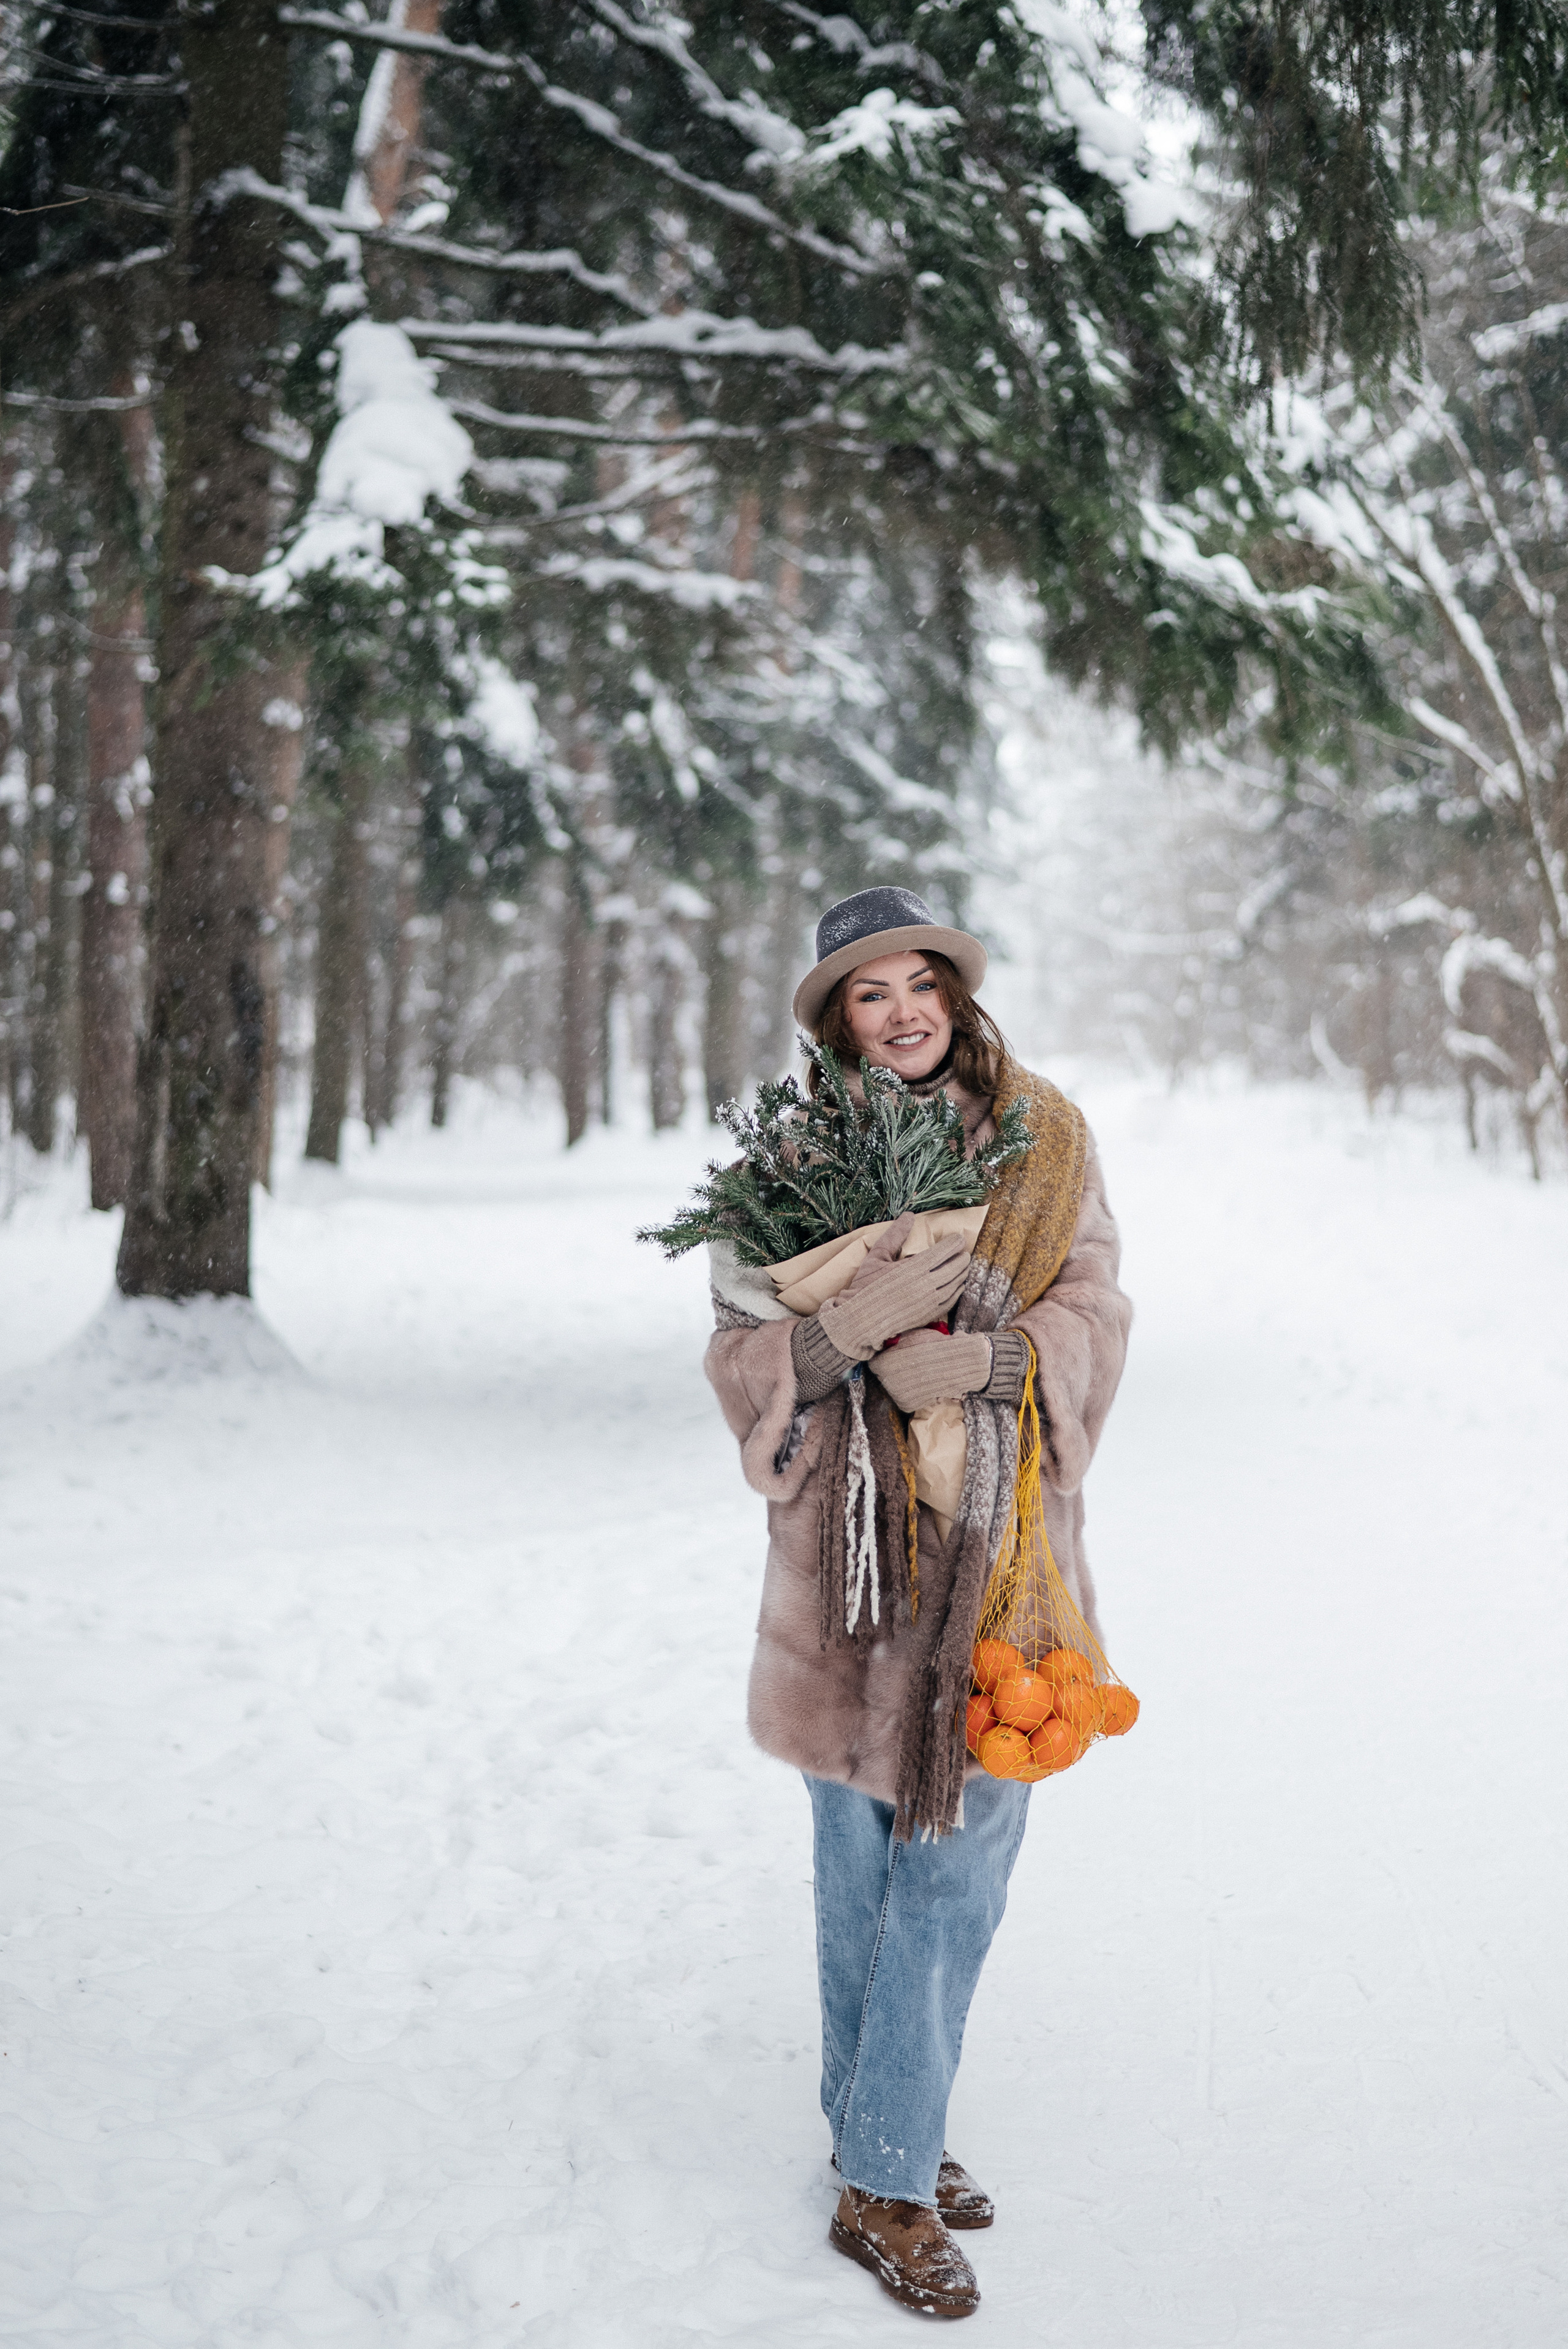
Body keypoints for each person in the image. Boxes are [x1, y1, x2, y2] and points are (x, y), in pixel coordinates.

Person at [704, 886, 1133, 2320]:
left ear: (953, 994)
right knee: (865, 1869)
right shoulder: (790, 1150)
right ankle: (884, 2168)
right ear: (837, 1015)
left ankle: (881, 2134)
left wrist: (1005, 1367)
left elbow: (1096, 1299)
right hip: (854, 1565)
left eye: (921, 985)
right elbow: (739, 1345)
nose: (902, 1013)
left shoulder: (1044, 1136)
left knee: (963, 1861)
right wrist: (836, 1339)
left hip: (1002, 1559)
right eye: (869, 993)